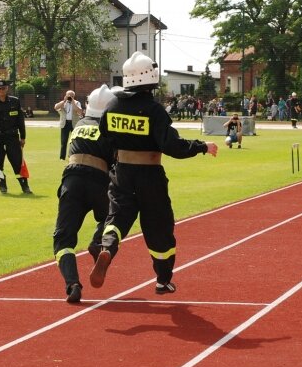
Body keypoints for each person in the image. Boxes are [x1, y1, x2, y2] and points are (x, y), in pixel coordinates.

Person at [92, 52, 218, 294]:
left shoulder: (112, 106)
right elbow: (173, 147)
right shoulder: (154, 110)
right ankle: (162, 280)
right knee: (159, 227)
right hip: (150, 176)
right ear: (149, 77)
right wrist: (202, 146)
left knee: (116, 218)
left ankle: (107, 248)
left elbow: (105, 141)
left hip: (122, 174)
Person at [52, 85, 117, 303]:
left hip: (72, 181)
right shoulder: (111, 130)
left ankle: (72, 284)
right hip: (99, 182)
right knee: (111, 218)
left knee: (63, 239)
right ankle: (98, 242)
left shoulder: (80, 124)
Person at [0, 79, 31, 194]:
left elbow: (20, 120)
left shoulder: (15, 102)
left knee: (17, 162)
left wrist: (23, 137)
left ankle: (25, 187)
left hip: (12, 137)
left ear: (7, 89)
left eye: (3, 88)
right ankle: (2, 186)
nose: (1, 90)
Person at [55, 90, 84, 160]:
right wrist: (64, 101)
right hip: (65, 124)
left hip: (74, 124)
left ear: (74, 96)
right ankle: (62, 157)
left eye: (72, 96)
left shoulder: (77, 103)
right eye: (69, 96)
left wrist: (73, 102)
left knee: (75, 141)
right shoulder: (63, 103)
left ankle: (75, 156)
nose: (70, 97)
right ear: (65, 95)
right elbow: (56, 107)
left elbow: (80, 111)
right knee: (64, 141)